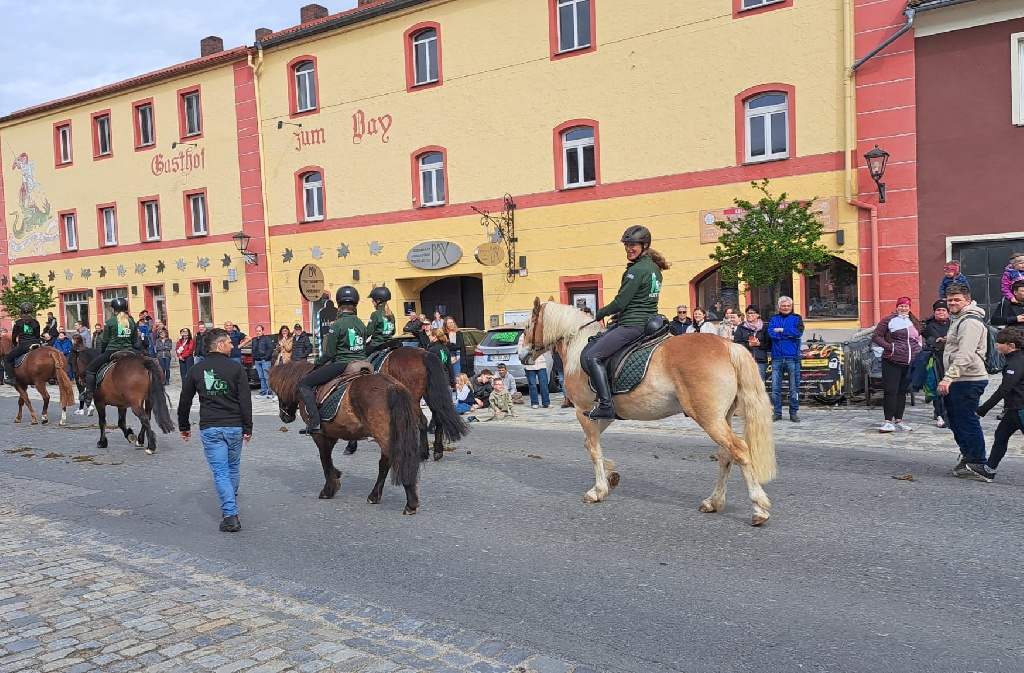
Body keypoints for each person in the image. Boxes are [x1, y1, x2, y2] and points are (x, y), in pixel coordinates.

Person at [581, 225, 670, 420]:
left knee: (592, 356)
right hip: (647, 320)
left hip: (632, 325)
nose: (629, 248)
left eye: (633, 245)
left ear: (644, 245)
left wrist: (601, 313)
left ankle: (606, 405)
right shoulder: (654, 268)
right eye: (627, 245)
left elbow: (621, 302)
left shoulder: (636, 270)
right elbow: (641, 299)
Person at [178, 328, 252, 533]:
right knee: (233, 468)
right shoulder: (236, 368)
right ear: (219, 345)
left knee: (221, 472)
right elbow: (245, 400)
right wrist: (248, 427)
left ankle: (230, 515)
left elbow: (184, 401)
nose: (233, 345)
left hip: (211, 427)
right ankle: (230, 505)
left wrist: (184, 426)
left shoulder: (196, 369)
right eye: (229, 342)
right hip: (235, 426)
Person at [938, 283, 994, 482]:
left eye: (957, 299)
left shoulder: (970, 321)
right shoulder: (959, 319)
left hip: (968, 379)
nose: (952, 302)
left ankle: (978, 461)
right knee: (955, 419)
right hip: (961, 379)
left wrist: (948, 377)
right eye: (950, 299)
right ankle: (969, 457)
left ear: (967, 301)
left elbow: (966, 354)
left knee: (967, 420)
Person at [297, 286, 367, 436]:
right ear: (355, 304)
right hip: (364, 363)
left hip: (342, 364)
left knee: (304, 384)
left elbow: (329, 353)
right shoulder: (361, 323)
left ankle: (314, 422)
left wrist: (318, 362)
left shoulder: (337, 325)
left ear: (339, 305)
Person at [977, 327, 1024, 477]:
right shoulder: (1014, 359)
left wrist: (983, 409)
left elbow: (1004, 390)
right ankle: (989, 469)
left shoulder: (1015, 363)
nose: (996, 345)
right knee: (1001, 435)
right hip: (1013, 409)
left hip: (1020, 407)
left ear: (1011, 345)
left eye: (999, 343)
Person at [871, 297, 922, 432]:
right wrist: (890, 348)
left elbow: (918, 336)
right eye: (901, 306)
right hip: (892, 360)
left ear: (909, 307)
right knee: (890, 391)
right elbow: (876, 336)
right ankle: (888, 421)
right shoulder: (889, 320)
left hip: (908, 362)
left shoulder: (914, 321)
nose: (903, 308)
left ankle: (899, 420)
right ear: (897, 307)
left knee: (902, 392)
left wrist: (919, 348)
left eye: (906, 306)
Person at [81, 297, 139, 407]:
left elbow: (105, 340)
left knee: (90, 369)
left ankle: (89, 394)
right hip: (129, 351)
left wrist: (102, 352)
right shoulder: (131, 322)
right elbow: (134, 339)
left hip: (113, 350)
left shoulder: (110, 322)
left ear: (113, 309)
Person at [767, 296, 804, 422]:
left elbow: (798, 333)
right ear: (779, 307)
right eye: (783, 306)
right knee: (775, 388)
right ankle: (777, 412)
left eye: (788, 306)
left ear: (791, 307)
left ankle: (793, 412)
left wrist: (782, 330)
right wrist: (789, 334)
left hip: (792, 357)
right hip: (777, 357)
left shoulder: (797, 318)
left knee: (794, 388)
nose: (786, 308)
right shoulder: (773, 319)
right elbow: (772, 334)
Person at [920, 300, 950, 428]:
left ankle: (948, 413)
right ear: (934, 312)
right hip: (937, 360)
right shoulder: (930, 326)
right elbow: (938, 344)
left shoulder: (953, 324)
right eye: (938, 310)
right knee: (938, 387)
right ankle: (939, 414)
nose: (941, 312)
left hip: (950, 359)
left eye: (944, 310)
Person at [3, 302, 42, 386]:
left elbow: (14, 337)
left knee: (7, 359)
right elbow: (37, 336)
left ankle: (11, 378)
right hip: (35, 344)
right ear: (31, 311)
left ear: (21, 312)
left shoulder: (18, 323)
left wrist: (14, 344)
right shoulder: (36, 323)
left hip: (24, 346)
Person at [733, 305, 769, 381]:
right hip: (745, 360)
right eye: (748, 313)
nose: (749, 315)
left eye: (752, 313)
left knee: (760, 383)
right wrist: (748, 345)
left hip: (760, 360)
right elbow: (736, 344)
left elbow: (769, 344)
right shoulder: (741, 327)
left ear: (758, 315)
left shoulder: (764, 328)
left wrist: (759, 344)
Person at [364, 286, 396, 356]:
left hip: (377, 344)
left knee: (361, 355)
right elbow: (393, 332)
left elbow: (368, 332)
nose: (372, 302)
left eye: (373, 300)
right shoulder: (391, 314)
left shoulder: (375, 314)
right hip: (390, 343)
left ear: (378, 301)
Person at [250, 325, 277, 398]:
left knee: (267, 376)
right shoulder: (254, 340)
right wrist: (254, 358)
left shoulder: (266, 339)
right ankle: (263, 391)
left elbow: (270, 349)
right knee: (261, 377)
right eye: (257, 331)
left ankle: (269, 391)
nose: (258, 332)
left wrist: (266, 357)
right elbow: (253, 349)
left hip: (265, 360)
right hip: (257, 360)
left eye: (259, 331)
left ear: (263, 331)